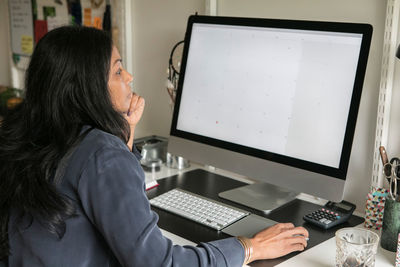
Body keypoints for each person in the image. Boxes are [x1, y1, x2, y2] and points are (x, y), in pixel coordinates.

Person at [0, 26, 308, 267]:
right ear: (87, 88)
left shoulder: (28, 132)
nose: (130, 77)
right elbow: (162, 263)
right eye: (118, 70)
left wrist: (123, 138)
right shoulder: (101, 154)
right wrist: (250, 247)